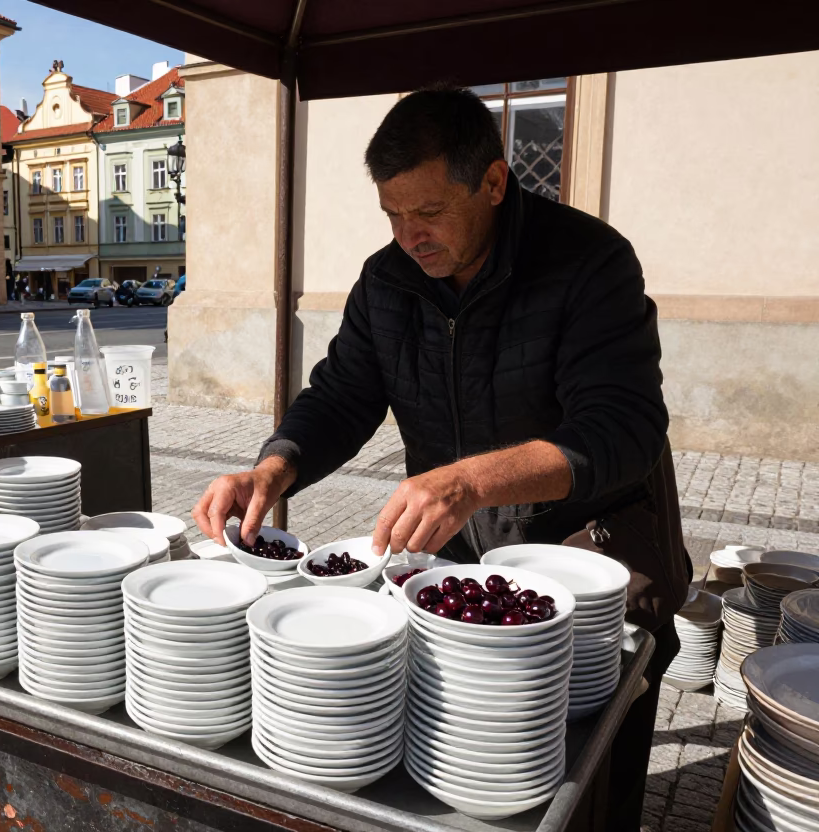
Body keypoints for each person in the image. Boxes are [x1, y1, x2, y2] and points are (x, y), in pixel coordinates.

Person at [192, 87, 690, 832]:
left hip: (597, 542)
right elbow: (342, 395)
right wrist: (274, 466)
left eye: (428, 212)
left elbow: (623, 427)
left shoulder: (589, 263)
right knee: (473, 749)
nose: (408, 235)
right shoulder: (387, 281)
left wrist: (470, 481)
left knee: (594, 753)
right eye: (392, 213)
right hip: (460, 551)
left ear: (493, 182)